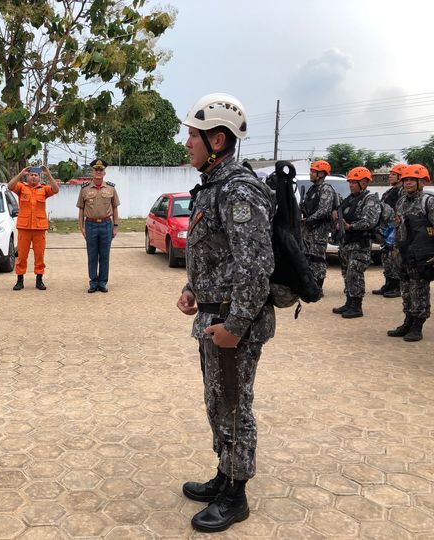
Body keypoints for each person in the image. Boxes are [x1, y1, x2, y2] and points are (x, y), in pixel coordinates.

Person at [176, 93, 275, 533]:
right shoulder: (214, 186)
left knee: (234, 405)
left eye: (193, 136)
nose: (188, 144)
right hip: (214, 316)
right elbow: (216, 254)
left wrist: (235, 327)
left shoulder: (238, 189)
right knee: (218, 401)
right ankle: (224, 473)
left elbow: (256, 267)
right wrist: (191, 288)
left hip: (235, 322)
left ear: (218, 139)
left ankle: (235, 494)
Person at [387, 164, 434, 342]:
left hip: (422, 255)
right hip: (404, 254)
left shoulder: (428, 201)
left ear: (421, 181)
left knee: (419, 290)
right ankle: (408, 320)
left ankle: (417, 325)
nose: (407, 183)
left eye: (411, 180)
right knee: (406, 290)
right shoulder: (401, 201)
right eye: (405, 179)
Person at [331, 167, 380, 319]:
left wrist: (350, 226)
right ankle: (349, 302)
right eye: (350, 182)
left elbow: (370, 221)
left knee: (355, 274)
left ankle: (356, 306)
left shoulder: (370, 199)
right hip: (347, 243)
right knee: (346, 274)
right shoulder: (350, 199)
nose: (350, 185)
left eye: (354, 182)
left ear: (364, 183)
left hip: (360, 244)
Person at [7, 165, 59, 291]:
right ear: (28, 176)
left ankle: (39, 280)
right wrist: (21, 173)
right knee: (22, 255)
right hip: (24, 228)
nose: (33, 177)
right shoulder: (21, 188)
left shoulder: (44, 189)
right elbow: (9, 186)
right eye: (31, 175)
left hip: (39, 228)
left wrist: (48, 174)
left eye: (36, 175)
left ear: (39, 177)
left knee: (39, 255)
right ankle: (20, 280)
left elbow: (56, 189)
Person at [77, 158, 120, 293]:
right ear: (92, 172)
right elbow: (81, 209)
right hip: (90, 225)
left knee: (105, 255)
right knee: (92, 255)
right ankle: (93, 282)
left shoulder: (111, 188)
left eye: (101, 170)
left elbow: (115, 208)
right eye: (96, 170)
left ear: (104, 173)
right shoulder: (84, 189)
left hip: (107, 224)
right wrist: (81, 227)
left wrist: (116, 226)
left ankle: (102, 282)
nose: (98, 172)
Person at [300, 160, 337, 290]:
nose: (310, 173)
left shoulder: (325, 189)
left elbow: (324, 210)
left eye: (313, 171)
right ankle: (310, 284)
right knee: (308, 257)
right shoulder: (312, 189)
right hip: (309, 230)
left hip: (319, 230)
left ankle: (318, 286)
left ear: (321, 173)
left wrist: (308, 220)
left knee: (317, 258)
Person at [373, 163, 407, 297]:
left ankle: (396, 286)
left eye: (393, 174)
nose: (390, 176)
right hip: (387, 229)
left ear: (401, 176)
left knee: (395, 257)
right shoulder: (389, 192)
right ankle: (388, 283)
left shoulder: (403, 192)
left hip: (396, 230)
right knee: (386, 256)